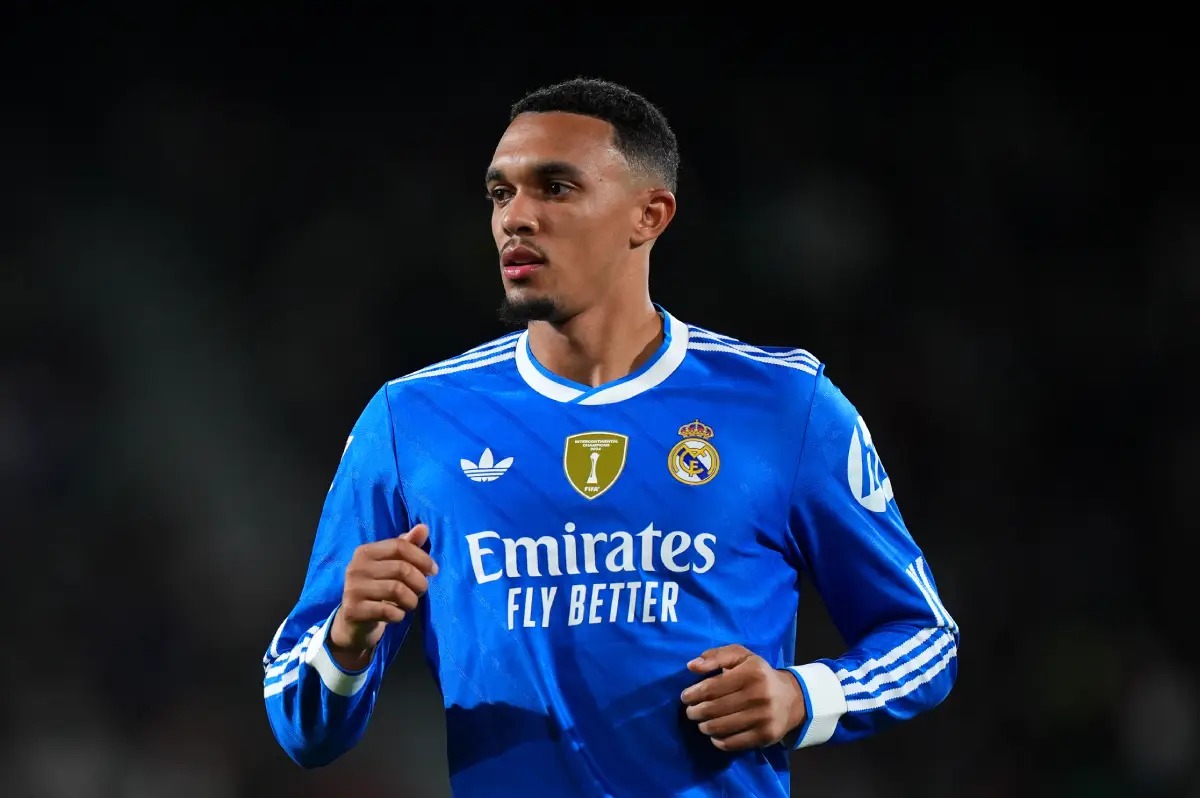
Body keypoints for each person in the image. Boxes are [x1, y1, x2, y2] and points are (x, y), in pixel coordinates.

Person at [262, 78, 959, 797]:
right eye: (501, 194)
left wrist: (801, 698)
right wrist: (345, 641)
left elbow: (924, 640)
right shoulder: (412, 421)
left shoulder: (785, 406)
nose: (516, 218)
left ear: (648, 215)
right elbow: (300, 726)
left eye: (556, 187)